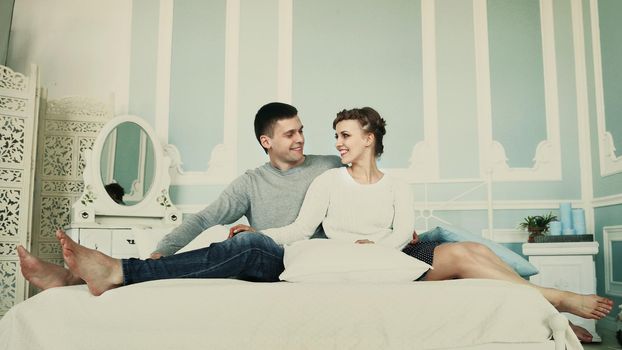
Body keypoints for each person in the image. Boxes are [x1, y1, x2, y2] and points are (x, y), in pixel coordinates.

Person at [18, 101, 342, 290]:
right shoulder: (251, 183)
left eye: (301, 130)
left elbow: (371, 184)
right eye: (290, 133)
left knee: (248, 243)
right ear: (266, 141)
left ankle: (117, 271)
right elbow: (203, 219)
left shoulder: (330, 164)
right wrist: (161, 250)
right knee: (232, 244)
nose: (300, 139)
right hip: (265, 262)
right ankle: (73, 280)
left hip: (303, 260)